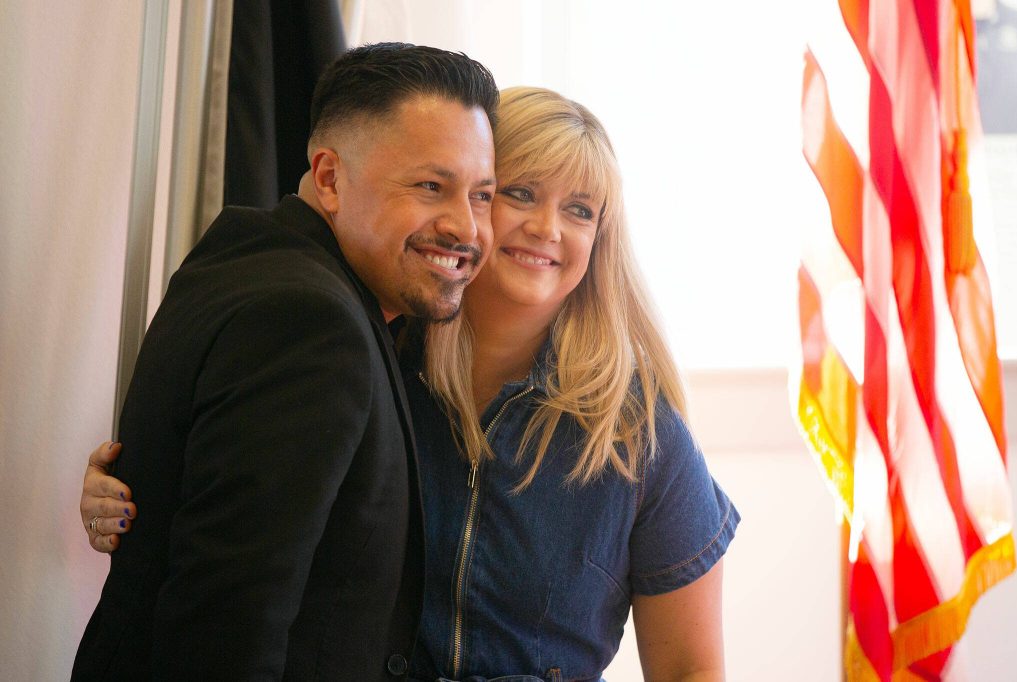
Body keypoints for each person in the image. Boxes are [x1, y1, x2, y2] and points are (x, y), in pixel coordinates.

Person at [81, 86, 739, 681]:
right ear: (470, 204)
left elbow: (690, 670)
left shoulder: (640, 437)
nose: (547, 228)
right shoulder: (359, 362)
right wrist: (134, 491)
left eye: (579, 210)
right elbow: (240, 519)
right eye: (519, 193)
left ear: (602, 238)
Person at [73, 43, 499, 680]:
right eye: (430, 186)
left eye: (483, 195)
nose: (466, 227)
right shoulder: (310, 323)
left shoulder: (249, 259)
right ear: (329, 178)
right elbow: (224, 630)